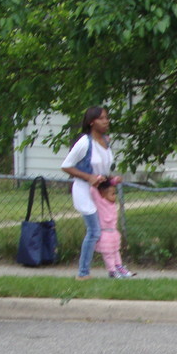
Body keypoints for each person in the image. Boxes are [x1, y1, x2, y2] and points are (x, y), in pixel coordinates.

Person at [61, 106, 114, 280]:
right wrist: (89, 176)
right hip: (84, 191)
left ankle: (114, 268)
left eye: (106, 118)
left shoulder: (106, 141)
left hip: (100, 192)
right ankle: (83, 273)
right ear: (92, 122)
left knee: (108, 229)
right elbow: (67, 166)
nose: (106, 121)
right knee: (94, 231)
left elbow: (104, 168)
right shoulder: (85, 142)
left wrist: (110, 180)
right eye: (101, 118)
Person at [91, 178, 135, 279]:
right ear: (103, 194)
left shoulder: (112, 204)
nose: (115, 196)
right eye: (112, 194)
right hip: (105, 233)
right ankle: (112, 271)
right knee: (108, 254)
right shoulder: (101, 202)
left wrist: (113, 182)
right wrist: (97, 180)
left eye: (115, 193)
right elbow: (93, 190)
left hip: (113, 233)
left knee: (116, 251)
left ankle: (119, 267)